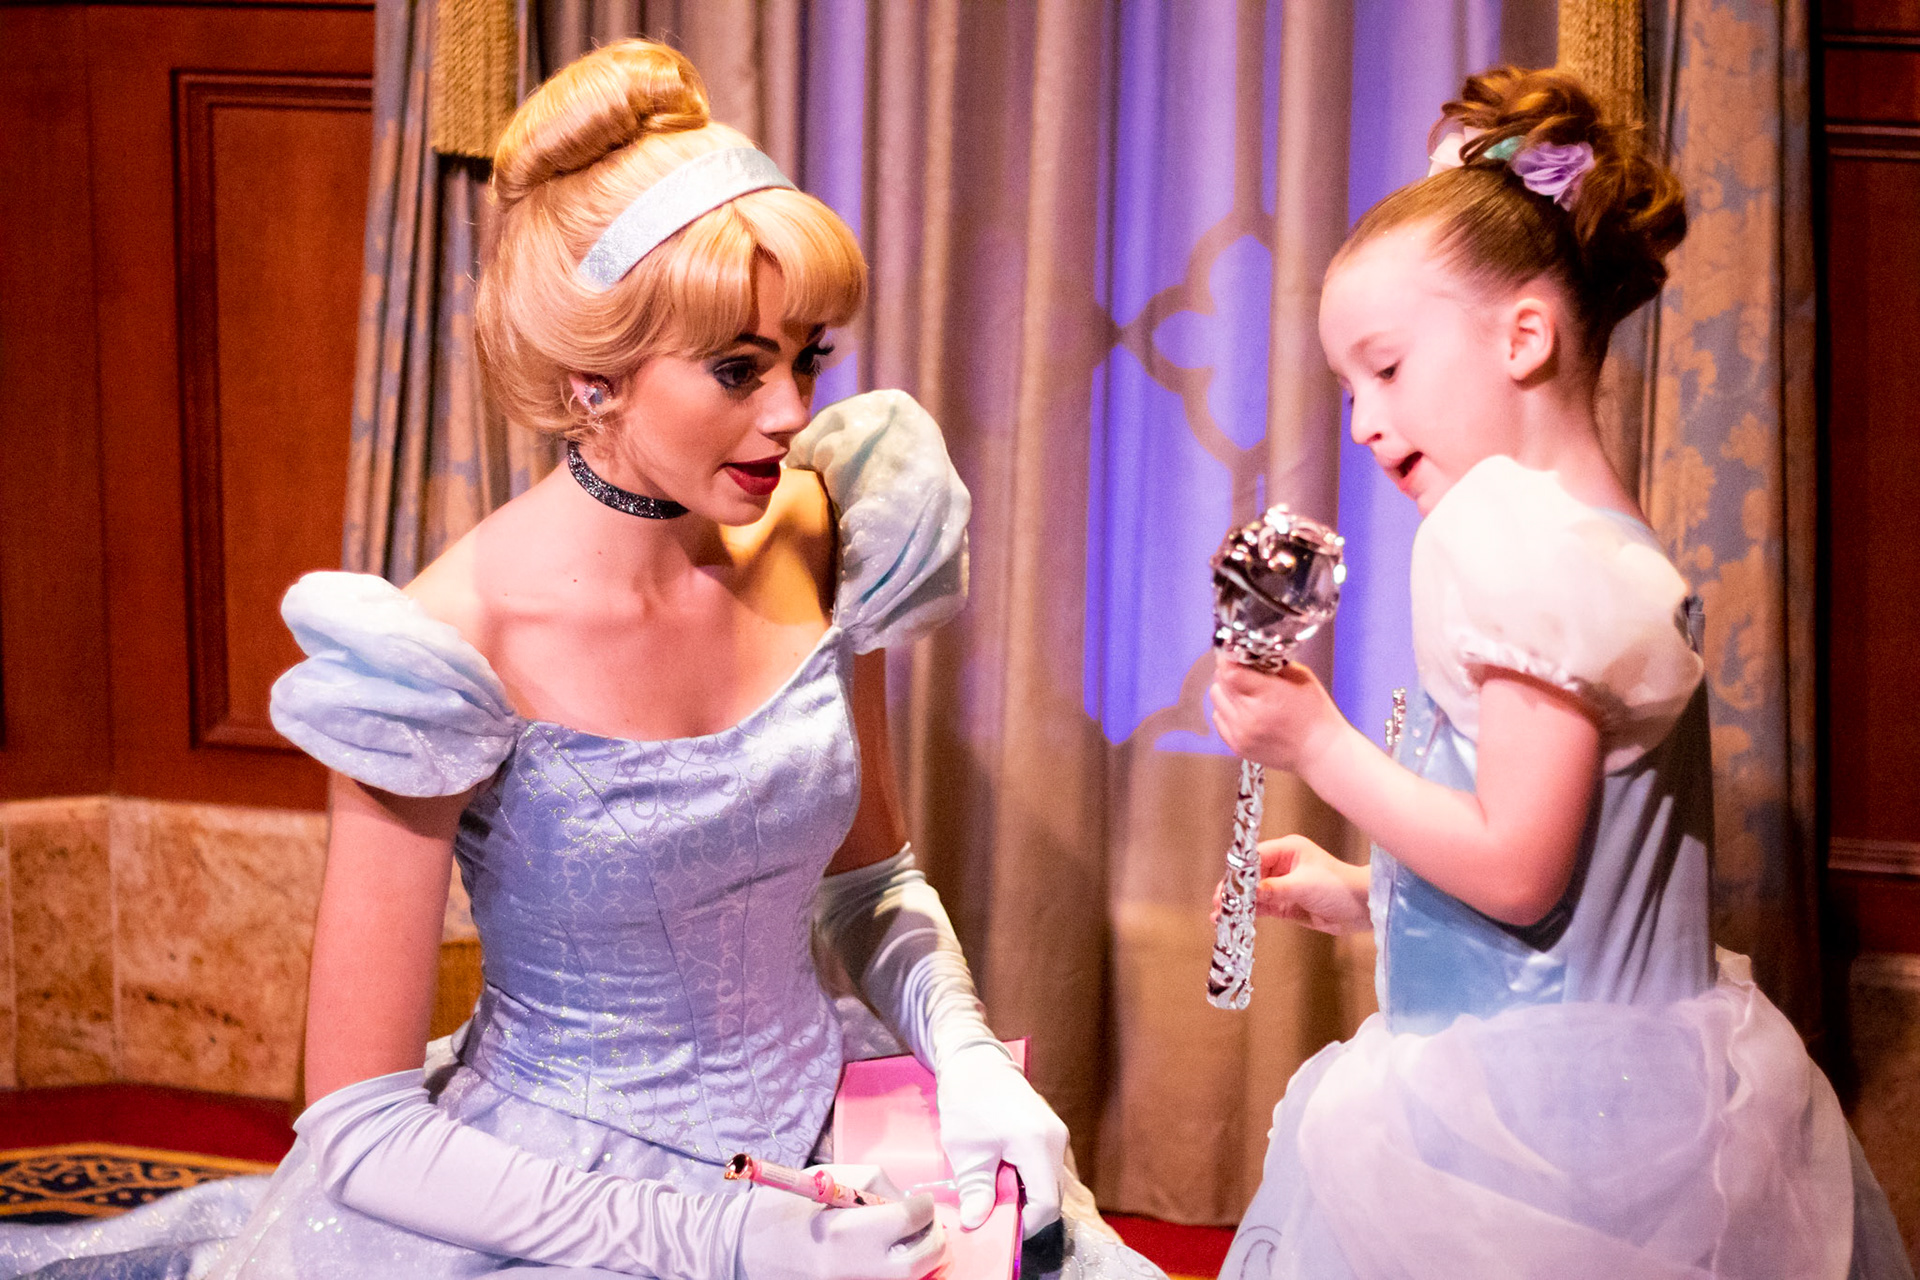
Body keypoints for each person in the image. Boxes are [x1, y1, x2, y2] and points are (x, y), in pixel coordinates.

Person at [0, 39, 1162, 1280]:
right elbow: (359, 1126)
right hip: (559, 1199)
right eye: (737, 367)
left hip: (828, 1149)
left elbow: (868, 880)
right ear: (590, 376)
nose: (789, 411)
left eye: (806, 355)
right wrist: (722, 1237)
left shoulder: (829, 526)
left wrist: (964, 1048)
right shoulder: (449, 646)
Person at [1207, 67, 1913, 1280]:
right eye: (1350, 388)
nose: (1364, 422)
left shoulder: (1497, 538)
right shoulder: (1613, 545)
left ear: (1524, 335)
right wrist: (1369, 891)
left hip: (1531, 1135)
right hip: (1637, 1102)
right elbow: (1581, 867)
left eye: (1387, 368)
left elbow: (1520, 869)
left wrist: (1315, 742)